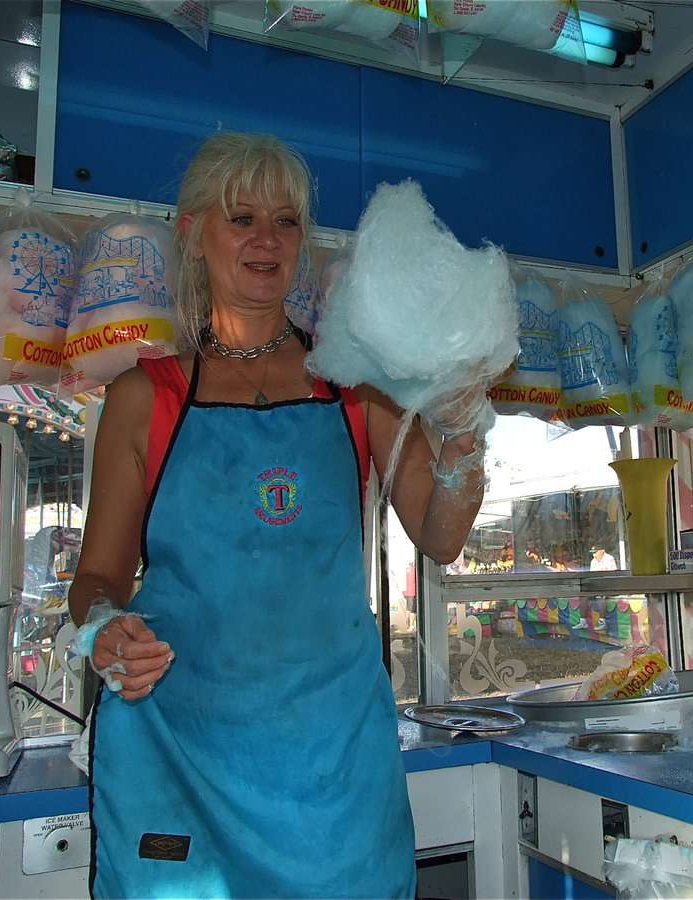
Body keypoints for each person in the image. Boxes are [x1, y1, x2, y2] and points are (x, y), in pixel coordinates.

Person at [67, 132, 489, 899]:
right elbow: (97, 575)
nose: (268, 239)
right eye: (242, 217)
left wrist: (465, 436)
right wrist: (104, 631)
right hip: (180, 758)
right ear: (194, 235)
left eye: (287, 221)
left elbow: (442, 533)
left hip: (334, 777)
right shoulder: (144, 398)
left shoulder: (357, 382)